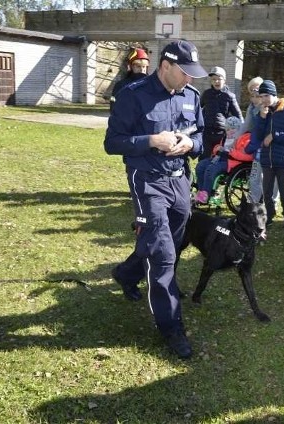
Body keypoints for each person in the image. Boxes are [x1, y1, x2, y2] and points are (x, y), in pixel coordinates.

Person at [104, 40, 208, 360]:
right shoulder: (132, 95)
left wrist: (189, 144)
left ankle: (126, 273)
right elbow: (113, 143)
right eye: (185, 72)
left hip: (180, 181)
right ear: (165, 67)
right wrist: (151, 140)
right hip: (147, 180)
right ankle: (171, 327)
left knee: (170, 245)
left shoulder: (191, 97)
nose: (190, 79)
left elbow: (202, 137)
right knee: (163, 254)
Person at [245, 79, 284, 232]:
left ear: (274, 95)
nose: (263, 99)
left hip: (283, 160)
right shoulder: (264, 111)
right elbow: (257, 134)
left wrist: (274, 135)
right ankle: (269, 216)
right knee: (267, 193)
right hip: (266, 159)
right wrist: (262, 118)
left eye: (266, 96)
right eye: (261, 96)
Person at [243, 76, 279, 206]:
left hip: (273, 152)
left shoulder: (278, 108)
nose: (257, 96)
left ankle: (272, 204)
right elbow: (254, 131)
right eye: (253, 92)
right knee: (254, 178)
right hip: (258, 151)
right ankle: (253, 202)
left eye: (260, 93)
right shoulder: (256, 110)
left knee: (272, 179)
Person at [194, 116, 243, 203]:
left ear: (238, 129)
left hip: (232, 161)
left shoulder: (241, 139)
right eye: (227, 129)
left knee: (211, 169)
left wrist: (232, 152)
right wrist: (217, 148)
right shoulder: (225, 137)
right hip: (220, 157)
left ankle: (206, 193)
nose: (230, 131)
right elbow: (217, 149)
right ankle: (202, 191)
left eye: (233, 129)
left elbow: (245, 155)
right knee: (200, 166)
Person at [200, 66, 243, 160]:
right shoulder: (206, 94)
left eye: (219, 79)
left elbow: (238, 116)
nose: (216, 82)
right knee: (204, 158)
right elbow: (197, 109)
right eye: (213, 79)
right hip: (206, 132)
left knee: (219, 159)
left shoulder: (230, 96)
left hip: (222, 134)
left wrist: (241, 133)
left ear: (224, 80)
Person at [109, 47, 149, 112]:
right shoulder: (121, 85)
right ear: (130, 66)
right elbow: (113, 106)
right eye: (138, 66)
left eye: (144, 66)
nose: (142, 69)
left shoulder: (151, 85)